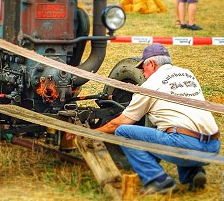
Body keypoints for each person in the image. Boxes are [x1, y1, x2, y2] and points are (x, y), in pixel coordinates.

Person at [94, 43, 220, 194]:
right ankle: (193, 173)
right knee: (178, 120)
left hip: (186, 146)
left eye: (143, 69)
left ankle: (158, 180)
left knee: (123, 132)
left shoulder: (149, 85)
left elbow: (120, 123)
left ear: (152, 64)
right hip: (213, 147)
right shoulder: (187, 74)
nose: (143, 74)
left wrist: (92, 134)